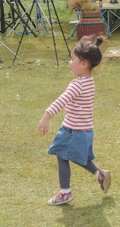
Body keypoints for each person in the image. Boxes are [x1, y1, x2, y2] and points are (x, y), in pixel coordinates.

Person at [38, 36, 111, 205]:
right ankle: (99, 174)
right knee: (80, 158)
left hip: (73, 131)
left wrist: (46, 117)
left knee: (62, 155)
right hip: (84, 130)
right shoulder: (88, 81)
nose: (70, 63)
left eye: (73, 59)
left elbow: (61, 101)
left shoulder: (77, 85)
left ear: (84, 64)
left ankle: (65, 193)